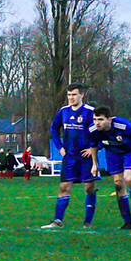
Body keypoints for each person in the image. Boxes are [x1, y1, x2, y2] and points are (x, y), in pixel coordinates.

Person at [42, 84, 99, 229]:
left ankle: (88, 222)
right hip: (70, 157)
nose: (71, 98)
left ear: (82, 95)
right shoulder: (63, 112)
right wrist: (60, 147)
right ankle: (57, 221)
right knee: (64, 187)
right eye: (69, 95)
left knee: (89, 187)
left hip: (86, 158)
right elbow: (54, 129)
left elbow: (101, 133)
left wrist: (93, 149)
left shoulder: (90, 112)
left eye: (74, 94)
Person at [90, 106, 131, 229]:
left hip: (129, 149)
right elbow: (93, 145)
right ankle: (127, 222)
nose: (97, 123)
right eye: (95, 119)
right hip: (113, 152)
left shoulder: (124, 125)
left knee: (129, 179)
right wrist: (94, 164)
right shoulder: (93, 130)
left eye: (100, 119)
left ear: (109, 120)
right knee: (118, 184)